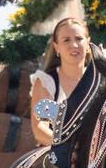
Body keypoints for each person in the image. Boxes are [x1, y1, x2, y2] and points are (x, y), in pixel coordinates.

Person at [31, 15, 94, 147]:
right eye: (66, 40)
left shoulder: (100, 80)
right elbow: (39, 130)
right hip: (57, 156)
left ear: (88, 44)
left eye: (79, 38)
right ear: (57, 47)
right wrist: (71, 146)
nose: (74, 45)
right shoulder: (46, 82)